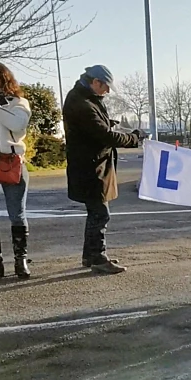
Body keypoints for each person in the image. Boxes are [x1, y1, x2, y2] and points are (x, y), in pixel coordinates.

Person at [63, 65, 145, 274]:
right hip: (91, 167)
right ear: (95, 82)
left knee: (95, 213)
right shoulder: (83, 103)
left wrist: (108, 122)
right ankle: (98, 257)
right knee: (101, 214)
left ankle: (90, 256)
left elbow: (95, 127)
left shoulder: (82, 98)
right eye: (105, 87)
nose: (107, 92)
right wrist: (134, 138)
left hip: (90, 164)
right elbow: (105, 136)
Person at [0, 62, 32, 282]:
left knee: (17, 214)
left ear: (3, 78)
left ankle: (20, 260)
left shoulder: (18, 102)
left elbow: (17, 125)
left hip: (11, 162)